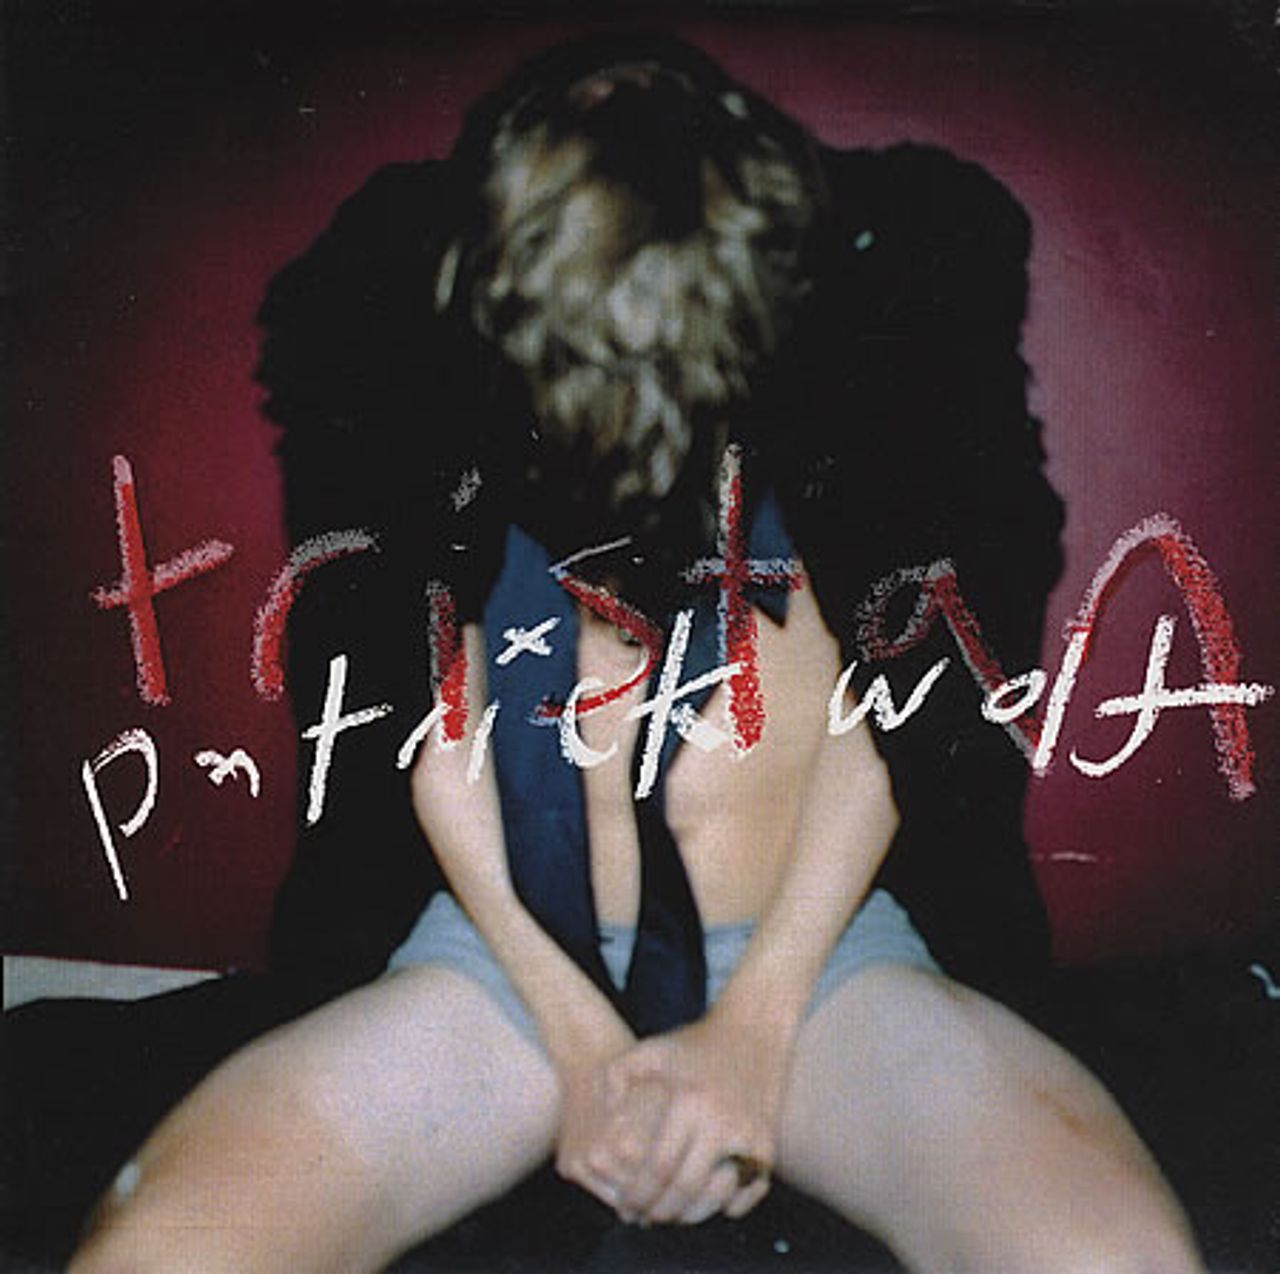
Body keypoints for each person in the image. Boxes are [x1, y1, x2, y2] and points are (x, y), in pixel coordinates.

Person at [71, 34, 1202, 1272]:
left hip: (816, 952)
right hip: (507, 956)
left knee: (1113, 1260)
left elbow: (905, 711)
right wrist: (579, 1038)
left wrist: (755, 1027)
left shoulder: (881, 368)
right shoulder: (420, 374)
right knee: (163, 1253)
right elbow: (422, 722)